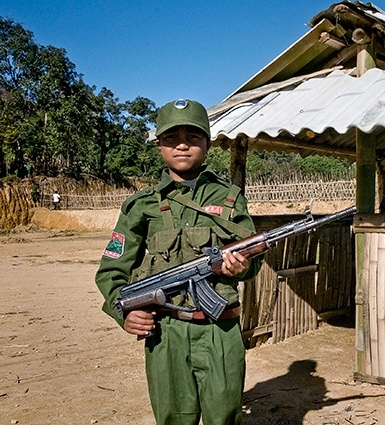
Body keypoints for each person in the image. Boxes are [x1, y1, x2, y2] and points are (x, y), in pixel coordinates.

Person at [95, 98, 263, 425]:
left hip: (220, 328)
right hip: (165, 331)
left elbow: (252, 261)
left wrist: (242, 266)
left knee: (224, 416)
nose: (182, 145)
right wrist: (125, 313)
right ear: (159, 144)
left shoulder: (229, 198)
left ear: (209, 142)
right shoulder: (141, 205)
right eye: (172, 137)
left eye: (193, 136)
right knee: (174, 418)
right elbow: (111, 271)